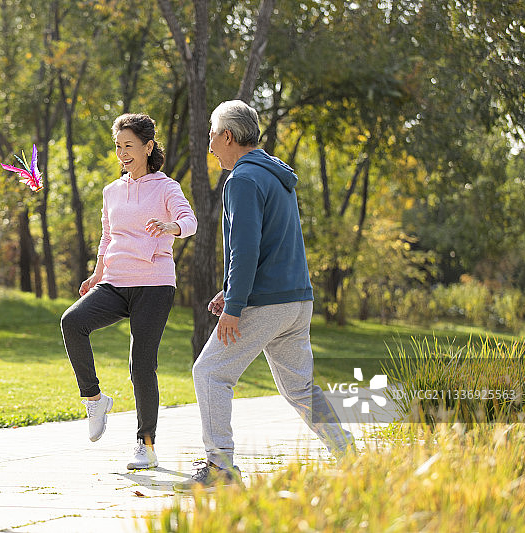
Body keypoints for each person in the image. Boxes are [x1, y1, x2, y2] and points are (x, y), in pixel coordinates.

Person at [174, 100, 354, 492]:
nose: (209, 146)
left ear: (228, 136)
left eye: (211, 136)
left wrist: (234, 306)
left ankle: (220, 468)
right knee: (300, 388)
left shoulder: (242, 180)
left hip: (266, 301)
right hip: (296, 300)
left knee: (210, 373)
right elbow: (271, 244)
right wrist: (229, 290)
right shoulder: (275, 175)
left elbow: (246, 249)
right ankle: (352, 459)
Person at [61, 113, 197, 470]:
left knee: (141, 364)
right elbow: (107, 237)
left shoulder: (167, 187)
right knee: (72, 322)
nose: (122, 153)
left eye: (129, 146)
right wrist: (96, 274)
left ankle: (145, 444)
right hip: (116, 281)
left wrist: (172, 225)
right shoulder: (112, 191)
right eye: (118, 146)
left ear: (148, 147)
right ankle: (94, 399)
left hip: (154, 283)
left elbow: (190, 220)